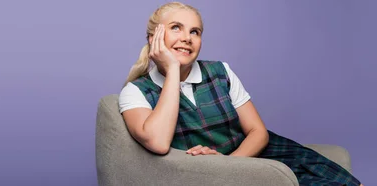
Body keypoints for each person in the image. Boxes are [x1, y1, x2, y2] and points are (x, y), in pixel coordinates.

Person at [118, 2, 363, 186]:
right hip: (218, 176)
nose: (187, 38)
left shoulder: (220, 71)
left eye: (195, 32)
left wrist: (229, 164)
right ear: (154, 38)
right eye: (176, 28)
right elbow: (159, 143)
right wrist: (172, 70)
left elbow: (258, 132)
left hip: (254, 153)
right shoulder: (135, 92)